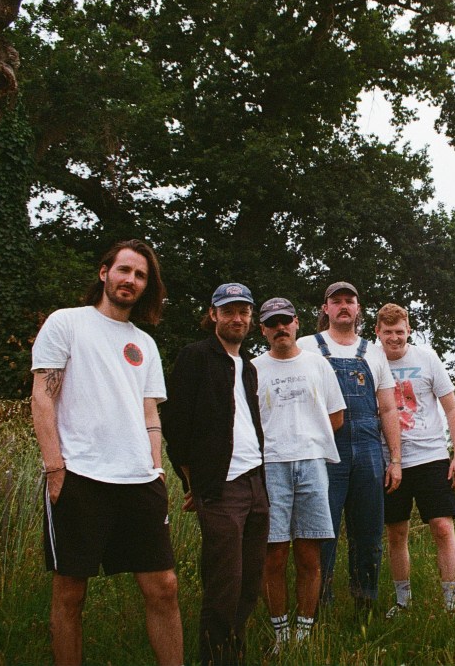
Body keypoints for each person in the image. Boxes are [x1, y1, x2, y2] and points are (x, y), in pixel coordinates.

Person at [31, 239, 183, 666]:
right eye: (124, 270)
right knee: (70, 593)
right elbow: (42, 397)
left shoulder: (144, 344)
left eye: (140, 275)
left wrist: (157, 468)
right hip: (79, 477)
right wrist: (54, 468)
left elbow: (150, 412)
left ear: (146, 286)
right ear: (104, 273)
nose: (130, 280)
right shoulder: (67, 323)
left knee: (164, 587)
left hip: (138, 480)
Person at [162, 282, 269, 666]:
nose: (237, 318)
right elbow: (175, 425)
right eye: (229, 311)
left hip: (256, 483)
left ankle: (233, 655)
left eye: (243, 312)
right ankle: (214, 659)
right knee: (224, 586)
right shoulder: (195, 356)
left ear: (251, 318)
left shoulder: (249, 366)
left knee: (249, 584)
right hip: (222, 488)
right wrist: (194, 481)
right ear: (213, 315)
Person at [296, 281, 402, 616]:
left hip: (368, 449)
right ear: (325, 309)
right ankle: (318, 607)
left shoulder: (374, 352)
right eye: (336, 301)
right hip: (324, 450)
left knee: (368, 531)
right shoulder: (306, 347)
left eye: (349, 301)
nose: (343, 306)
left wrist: (395, 459)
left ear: (358, 309)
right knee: (321, 530)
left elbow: (388, 409)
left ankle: (365, 604)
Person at [252, 297, 346, 652]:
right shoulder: (252, 369)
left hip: (312, 464)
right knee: (273, 555)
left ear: (296, 323)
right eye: (272, 323)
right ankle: (280, 632)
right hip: (270, 466)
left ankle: (305, 633)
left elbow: (336, 416)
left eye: (285, 321)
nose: (280, 328)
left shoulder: (318, 364)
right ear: (263, 329)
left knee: (309, 554)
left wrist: (308, 439)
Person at [374, 303, 455, 616]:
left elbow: (451, 408)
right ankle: (403, 601)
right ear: (377, 332)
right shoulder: (371, 361)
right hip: (390, 460)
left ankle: (450, 604)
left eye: (400, 332)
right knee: (396, 532)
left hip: (431, 456)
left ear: (409, 331)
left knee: (442, 527)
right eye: (388, 332)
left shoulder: (427, 358)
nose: (394, 338)